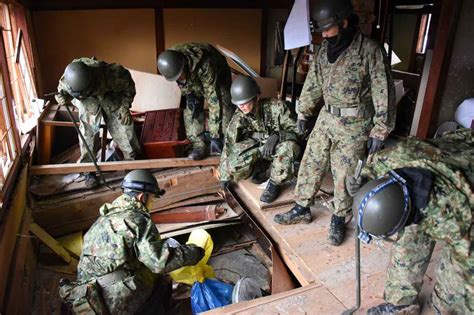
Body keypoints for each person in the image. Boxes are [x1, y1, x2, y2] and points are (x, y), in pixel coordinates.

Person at [274, 0, 396, 247]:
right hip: (326, 118)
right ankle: (301, 207)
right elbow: (314, 82)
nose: (324, 33)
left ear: (345, 22)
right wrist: (304, 113)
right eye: (321, 30)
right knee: (311, 161)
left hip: (355, 124)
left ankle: (339, 217)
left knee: (344, 173)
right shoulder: (324, 49)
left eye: (327, 28)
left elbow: (383, 91)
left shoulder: (370, 50)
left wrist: (380, 129)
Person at [347, 129, 473, 314]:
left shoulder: (452, 213)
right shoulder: (391, 160)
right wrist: (361, 178)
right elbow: (370, 166)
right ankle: (402, 304)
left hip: (465, 184)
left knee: (453, 279)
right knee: (409, 239)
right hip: (446, 156)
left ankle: (440, 308)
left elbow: (466, 265)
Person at [59, 170, 205, 314]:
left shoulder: (104, 218)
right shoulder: (137, 219)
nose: (152, 203)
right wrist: (193, 252)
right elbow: (159, 262)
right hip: (111, 300)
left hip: (89, 297)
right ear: (142, 197)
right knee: (160, 279)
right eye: (152, 198)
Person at [55, 57, 141, 187]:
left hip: (112, 96)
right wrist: (63, 98)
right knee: (87, 134)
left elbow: (128, 86)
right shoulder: (69, 80)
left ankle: (132, 166)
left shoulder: (112, 74)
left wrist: (125, 106)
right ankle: (88, 171)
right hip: (88, 102)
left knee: (124, 129)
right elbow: (62, 93)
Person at [219, 75, 300, 203]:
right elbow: (230, 142)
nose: (241, 107)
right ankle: (259, 167)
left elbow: (297, 132)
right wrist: (224, 175)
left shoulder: (277, 108)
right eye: (238, 103)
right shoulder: (239, 115)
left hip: (277, 147)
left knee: (289, 147)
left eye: (245, 102)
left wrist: (278, 136)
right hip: (259, 147)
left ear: (256, 98)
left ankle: (274, 183)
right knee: (233, 163)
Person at [157, 43, 234, 160]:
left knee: (224, 105)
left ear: (184, 65)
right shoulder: (170, 62)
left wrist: (215, 135)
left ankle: (225, 142)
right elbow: (183, 82)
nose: (179, 79)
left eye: (180, 76)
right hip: (192, 74)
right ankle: (199, 145)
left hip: (218, 72)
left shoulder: (206, 64)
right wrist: (188, 92)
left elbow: (214, 99)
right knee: (192, 109)